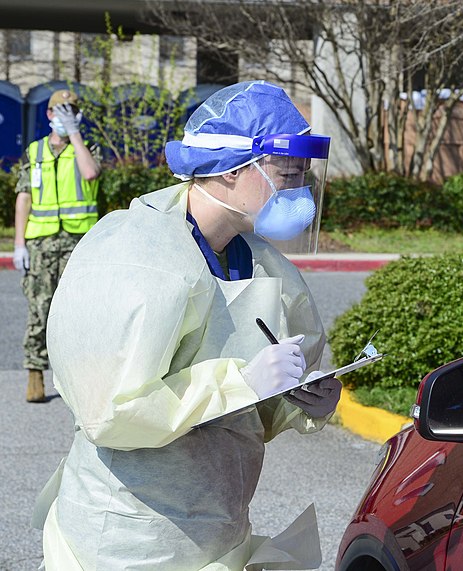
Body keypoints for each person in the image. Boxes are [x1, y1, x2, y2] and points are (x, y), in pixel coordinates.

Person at [33, 81, 342, 570]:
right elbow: (109, 410)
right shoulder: (136, 254)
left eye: (304, 175)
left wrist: (304, 400)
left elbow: (264, 403)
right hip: (125, 538)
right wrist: (237, 382)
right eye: (287, 173)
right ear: (232, 170)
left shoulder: (268, 267)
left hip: (219, 530)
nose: (300, 192)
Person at [13, 89, 101, 403]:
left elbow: (90, 172)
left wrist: (75, 134)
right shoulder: (34, 152)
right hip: (41, 243)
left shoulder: (88, 148)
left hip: (79, 243)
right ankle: (35, 373)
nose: (65, 115)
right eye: (59, 111)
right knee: (39, 309)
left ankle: (76, 377)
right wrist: (19, 243)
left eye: (71, 110)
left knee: (78, 312)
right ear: (49, 115)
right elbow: (23, 197)